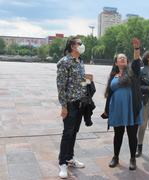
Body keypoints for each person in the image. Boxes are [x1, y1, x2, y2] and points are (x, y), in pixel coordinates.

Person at [102, 38, 143, 171]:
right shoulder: (113, 75)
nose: (123, 59)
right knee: (118, 134)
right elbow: (109, 94)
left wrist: (136, 49)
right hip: (117, 109)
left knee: (132, 135)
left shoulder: (132, 71)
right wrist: (106, 110)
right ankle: (115, 157)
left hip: (132, 108)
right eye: (120, 58)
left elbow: (137, 61)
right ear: (116, 62)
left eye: (125, 58)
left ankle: (132, 158)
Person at [56, 37, 94, 178]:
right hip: (70, 104)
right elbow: (61, 87)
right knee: (67, 133)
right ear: (73, 46)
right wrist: (64, 106)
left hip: (80, 103)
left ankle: (70, 158)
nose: (82, 45)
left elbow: (79, 82)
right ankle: (62, 163)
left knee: (74, 132)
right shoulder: (64, 62)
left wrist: (89, 80)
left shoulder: (80, 61)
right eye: (79, 43)